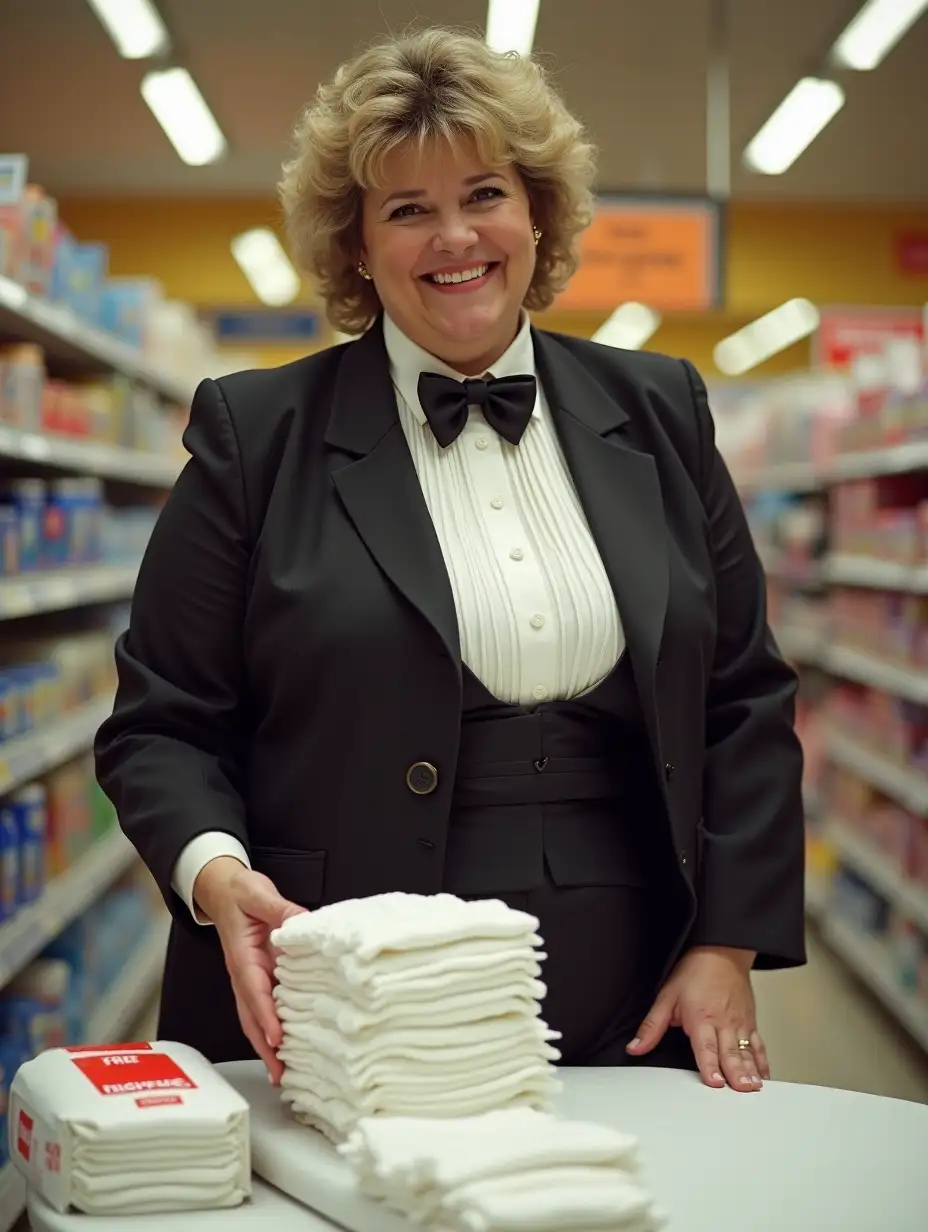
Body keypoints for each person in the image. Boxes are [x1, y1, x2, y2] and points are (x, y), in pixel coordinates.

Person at [95, 26, 805, 1095]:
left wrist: (727, 944)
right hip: (343, 985)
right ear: (357, 244)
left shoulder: (658, 408)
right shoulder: (257, 432)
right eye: (407, 208)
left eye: (483, 193)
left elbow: (742, 698)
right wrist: (213, 869)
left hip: (635, 981)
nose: (454, 235)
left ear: (536, 214)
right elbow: (162, 720)